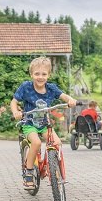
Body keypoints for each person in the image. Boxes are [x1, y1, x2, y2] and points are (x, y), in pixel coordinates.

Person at [10, 56, 77, 189]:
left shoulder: (51, 88)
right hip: (29, 124)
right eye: (37, 74)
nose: (40, 77)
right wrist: (15, 112)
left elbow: (65, 96)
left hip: (45, 125)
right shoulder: (26, 87)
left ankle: (52, 167)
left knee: (57, 143)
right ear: (31, 74)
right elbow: (14, 101)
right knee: (36, 143)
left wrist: (71, 100)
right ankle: (29, 173)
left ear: (49, 75)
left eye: (44, 74)